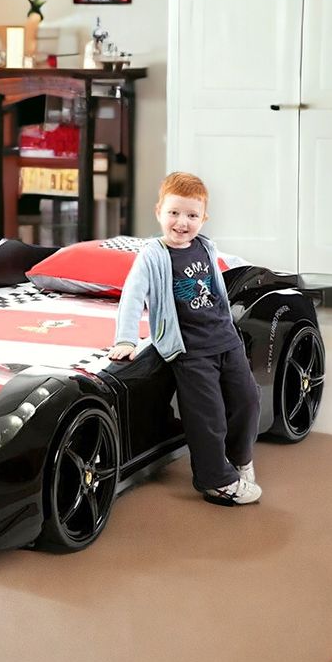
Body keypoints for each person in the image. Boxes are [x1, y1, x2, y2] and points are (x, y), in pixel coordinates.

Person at [108, 172, 262, 506]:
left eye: (192, 215)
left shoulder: (206, 246)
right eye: (174, 213)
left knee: (247, 400)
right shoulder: (153, 255)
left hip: (226, 341)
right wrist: (126, 338)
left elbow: (225, 273)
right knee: (208, 416)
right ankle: (216, 481)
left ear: (203, 219)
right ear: (159, 212)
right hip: (191, 351)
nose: (182, 223)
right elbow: (133, 295)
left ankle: (238, 460)